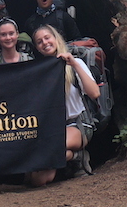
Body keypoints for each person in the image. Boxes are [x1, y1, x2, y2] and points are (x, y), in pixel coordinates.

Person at [27, 25, 99, 187]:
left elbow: (94, 93)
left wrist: (74, 64)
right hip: (55, 128)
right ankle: (73, 157)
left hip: (79, 123)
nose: (45, 43)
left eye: (47, 38)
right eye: (39, 42)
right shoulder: (41, 71)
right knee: (37, 180)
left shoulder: (75, 63)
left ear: (55, 38)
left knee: (49, 147)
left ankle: (73, 157)